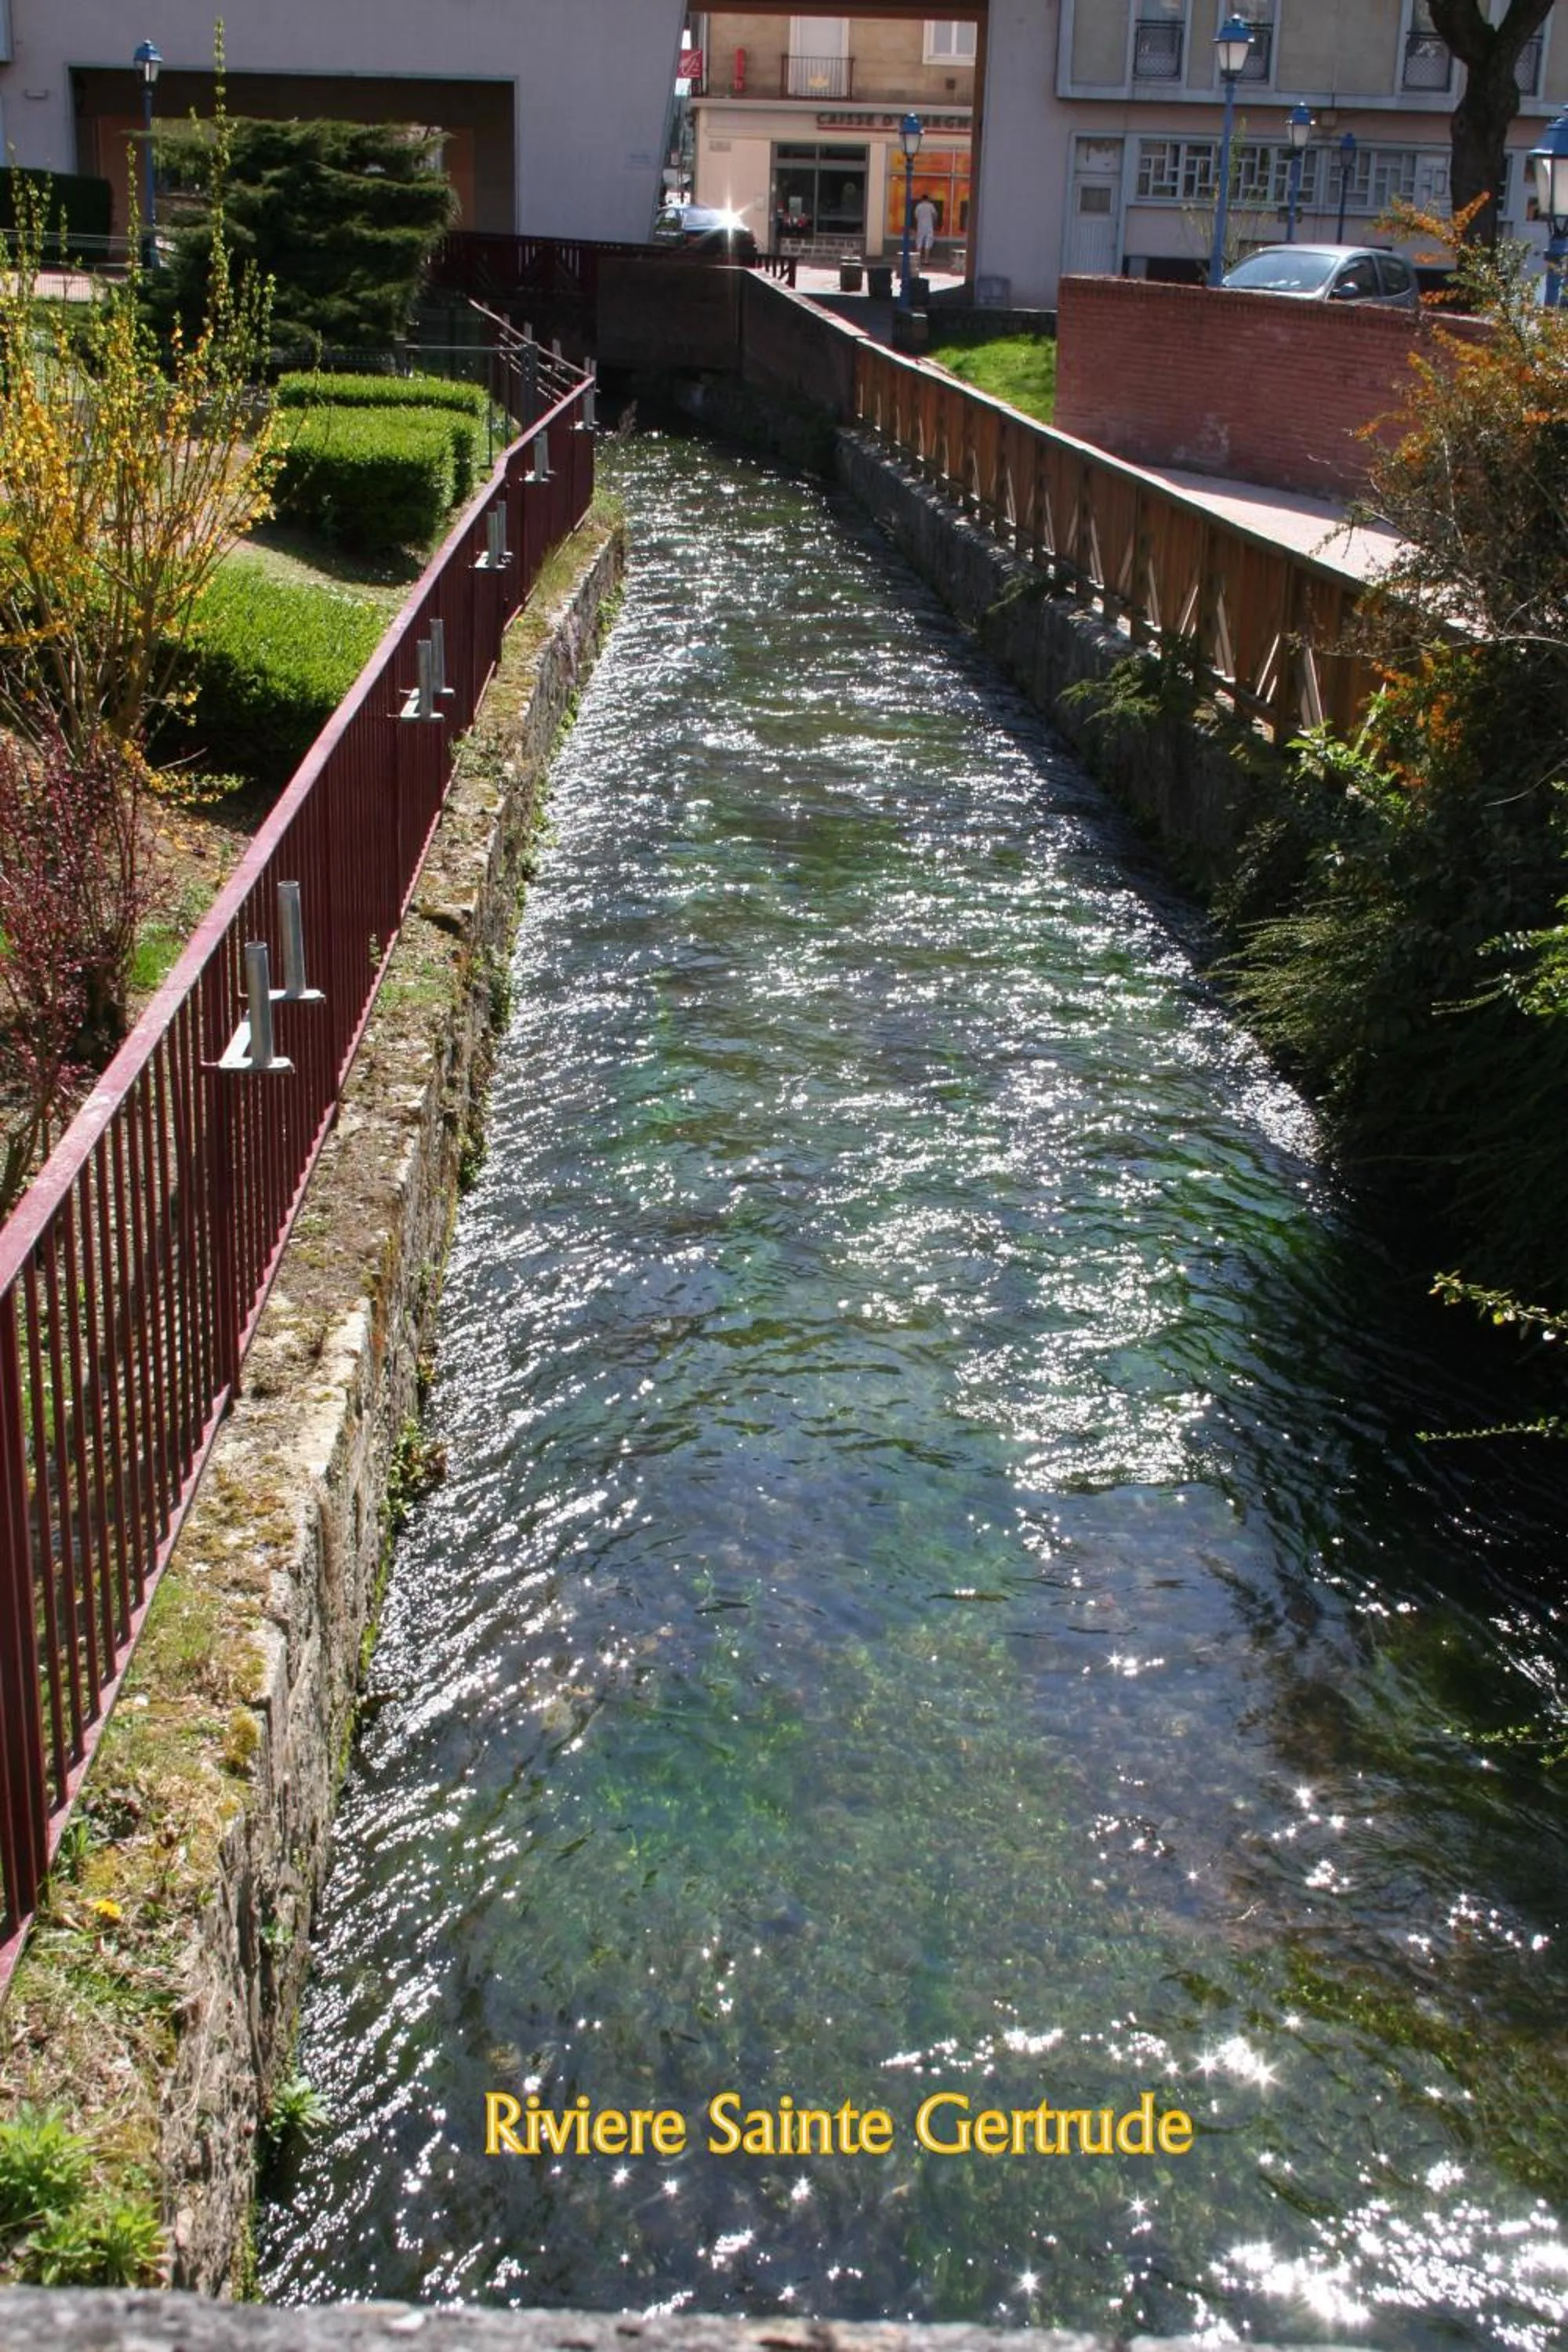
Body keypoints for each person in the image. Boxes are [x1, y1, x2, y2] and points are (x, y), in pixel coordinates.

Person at [914, 194, 938, 261]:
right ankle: (926, 260)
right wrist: (934, 223)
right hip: (929, 226)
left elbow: (916, 216)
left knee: (919, 243)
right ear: (928, 199)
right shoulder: (931, 206)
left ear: (922, 199)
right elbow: (935, 215)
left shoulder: (918, 206)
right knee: (928, 243)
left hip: (920, 227)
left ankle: (917, 261)